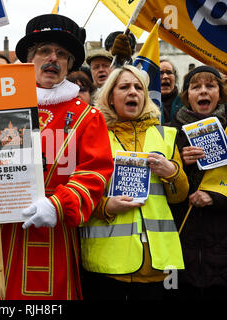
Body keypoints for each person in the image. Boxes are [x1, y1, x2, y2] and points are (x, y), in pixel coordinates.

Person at [0, 13, 114, 300]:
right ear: (29, 59)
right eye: (43, 50)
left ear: (69, 64)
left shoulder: (88, 117)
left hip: (48, 233)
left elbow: (95, 173)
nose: (52, 59)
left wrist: (58, 206)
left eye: (61, 54)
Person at [80, 65, 189, 301]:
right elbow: (80, 195)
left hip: (159, 263)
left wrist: (171, 172)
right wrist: (106, 207)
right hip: (108, 264)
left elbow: (179, 196)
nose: (133, 92)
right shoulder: (92, 135)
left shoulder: (166, 135)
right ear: (110, 97)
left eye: (139, 87)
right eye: (125, 87)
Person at [169, 65, 227, 300]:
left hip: (224, 249)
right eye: (195, 86)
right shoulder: (169, 134)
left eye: (210, 86)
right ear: (186, 95)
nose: (203, 91)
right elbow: (159, 188)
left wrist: (216, 198)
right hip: (179, 245)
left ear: (220, 94)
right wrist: (178, 165)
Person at [160, 59, 182, 125]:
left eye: (169, 72)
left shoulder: (185, 102)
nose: (165, 76)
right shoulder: (146, 104)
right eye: (160, 73)